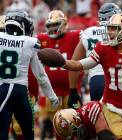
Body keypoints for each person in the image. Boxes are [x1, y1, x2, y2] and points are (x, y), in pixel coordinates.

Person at [0, 10, 59, 140]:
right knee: (29, 135)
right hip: (21, 93)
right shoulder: (30, 43)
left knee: (2, 131)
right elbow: (41, 76)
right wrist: (53, 97)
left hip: (2, 90)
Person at [36, 10, 81, 140]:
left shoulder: (74, 36)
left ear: (64, 24)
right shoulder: (42, 39)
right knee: (58, 125)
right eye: (49, 25)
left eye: (55, 24)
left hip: (70, 90)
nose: (52, 28)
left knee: (75, 123)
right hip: (52, 92)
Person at [68, 3, 122, 109]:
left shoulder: (89, 32)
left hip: (96, 80)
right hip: (117, 78)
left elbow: (74, 63)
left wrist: (73, 90)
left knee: (99, 120)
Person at [53, 101, 122, 140]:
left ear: (76, 120)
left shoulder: (90, 111)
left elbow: (105, 137)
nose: (76, 135)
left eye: (75, 131)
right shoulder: (83, 122)